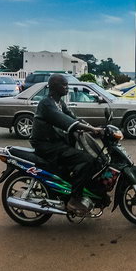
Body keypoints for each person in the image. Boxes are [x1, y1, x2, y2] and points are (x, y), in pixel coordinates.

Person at [29, 74, 103, 216]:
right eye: (64, 85)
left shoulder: (59, 103)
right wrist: (92, 129)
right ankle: (74, 199)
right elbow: (65, 121)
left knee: (88, 158)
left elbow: (73, 118)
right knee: (87, 159)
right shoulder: (46, 103)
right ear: (55, 87)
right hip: (47, 146)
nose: (67, 88)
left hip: (56, 143)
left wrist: (94, 128)